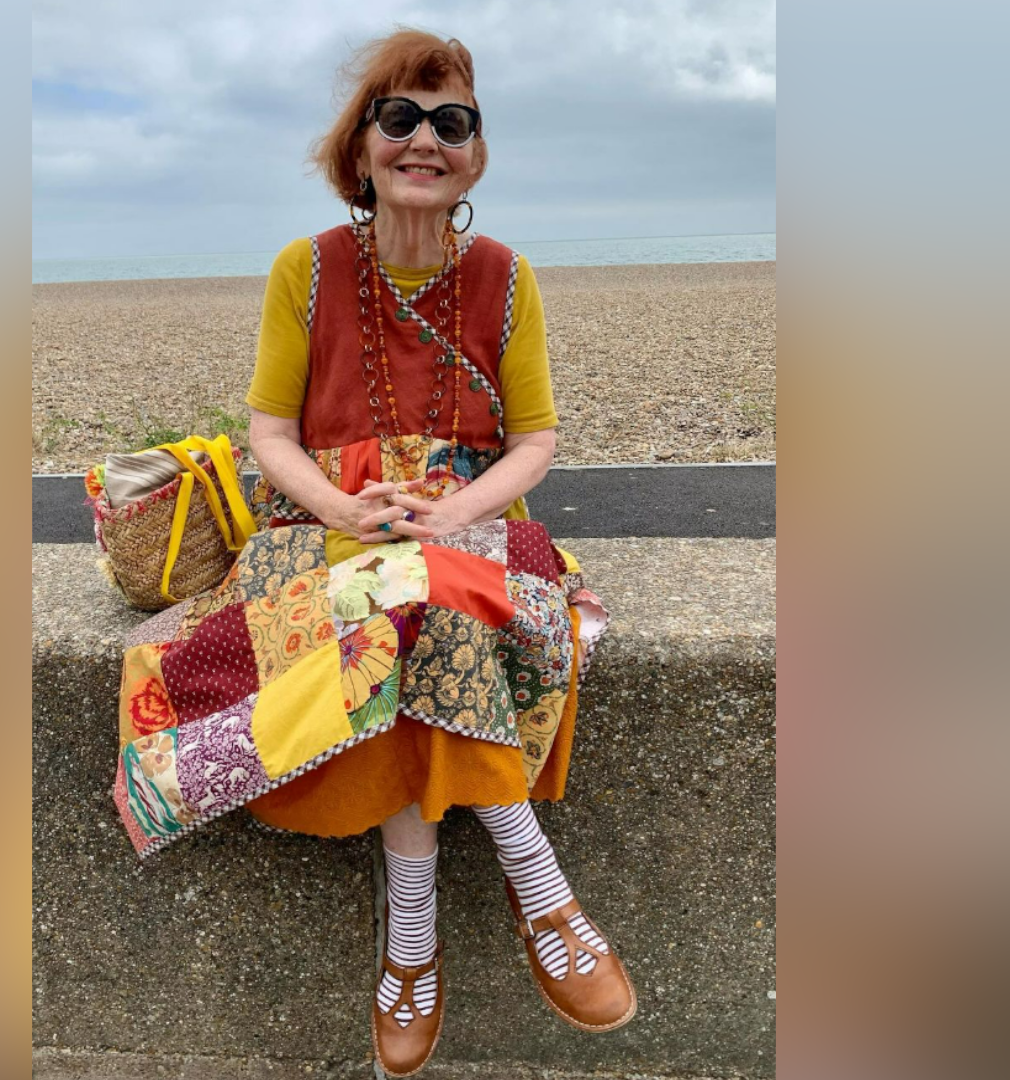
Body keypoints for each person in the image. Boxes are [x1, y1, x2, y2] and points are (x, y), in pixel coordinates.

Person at [108, 29, 628, 1076]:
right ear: (364, 145)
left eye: (452, 121)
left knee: (428, 591)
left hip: (468, 520)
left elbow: (534, 443)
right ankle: (541, 891)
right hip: (320, 527)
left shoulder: (506, 279)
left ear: (475, 152)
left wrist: (447, 514)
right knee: (407, 600)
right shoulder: (304, 272)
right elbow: (270, 436)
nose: (424, 140)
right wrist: (352, 509)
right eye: (400, 118)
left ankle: (412, 938)